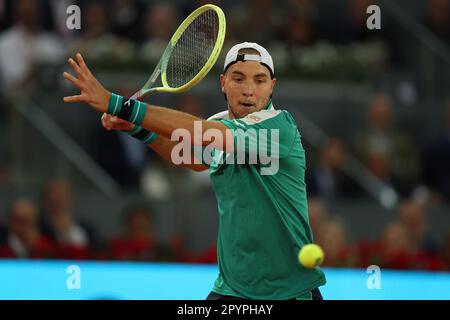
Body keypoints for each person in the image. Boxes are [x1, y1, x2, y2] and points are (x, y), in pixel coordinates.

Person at [62, 42, 326, 300]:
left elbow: (197, 132)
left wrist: (118, 104)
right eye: (238, 79)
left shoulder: (278, 127)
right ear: (223, 83)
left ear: (272, 87)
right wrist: (135, 128)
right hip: (233, 287)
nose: (248, 90)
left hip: (289, 292)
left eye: (259, 81)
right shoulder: (219, 125)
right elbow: (188, 156)